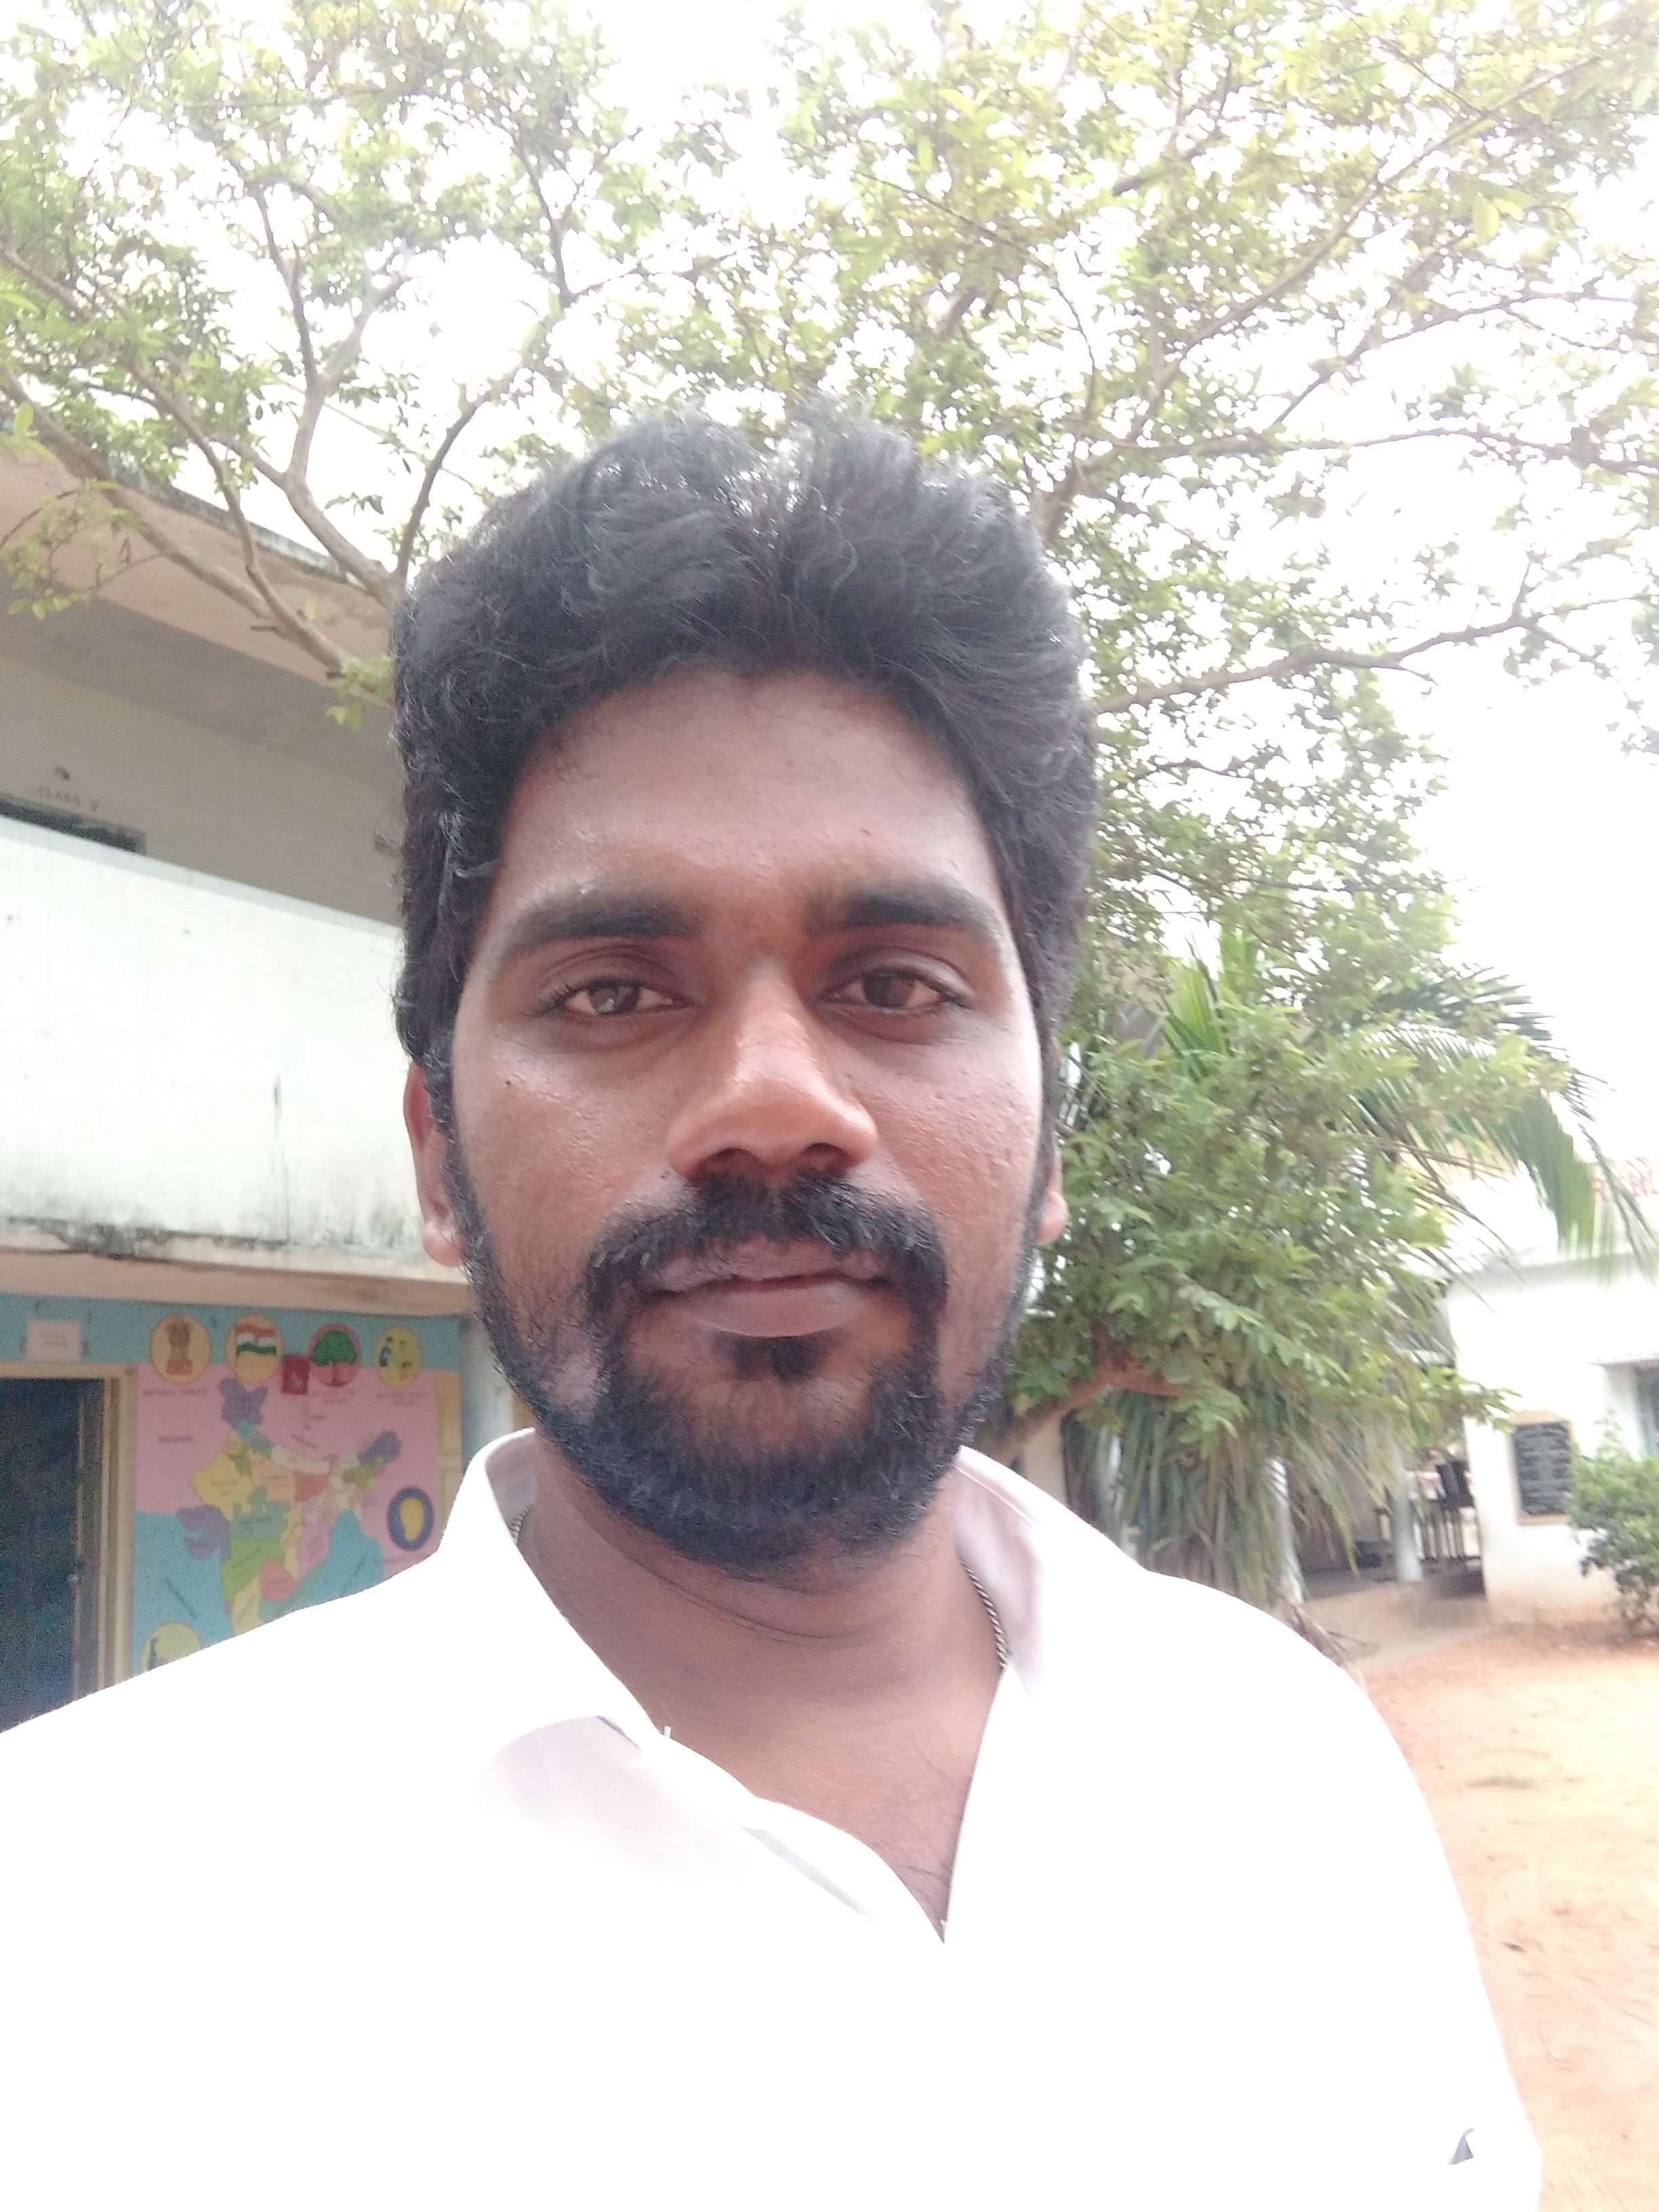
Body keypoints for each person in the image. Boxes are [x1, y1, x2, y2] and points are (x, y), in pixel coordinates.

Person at [0, 419, 1537, 2209]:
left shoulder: (1290, 1755)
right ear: (439, 1156)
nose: (773, 1104)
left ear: (1050, 1143)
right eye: (611, 993)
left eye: (896, 983)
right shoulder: (76, 1922)